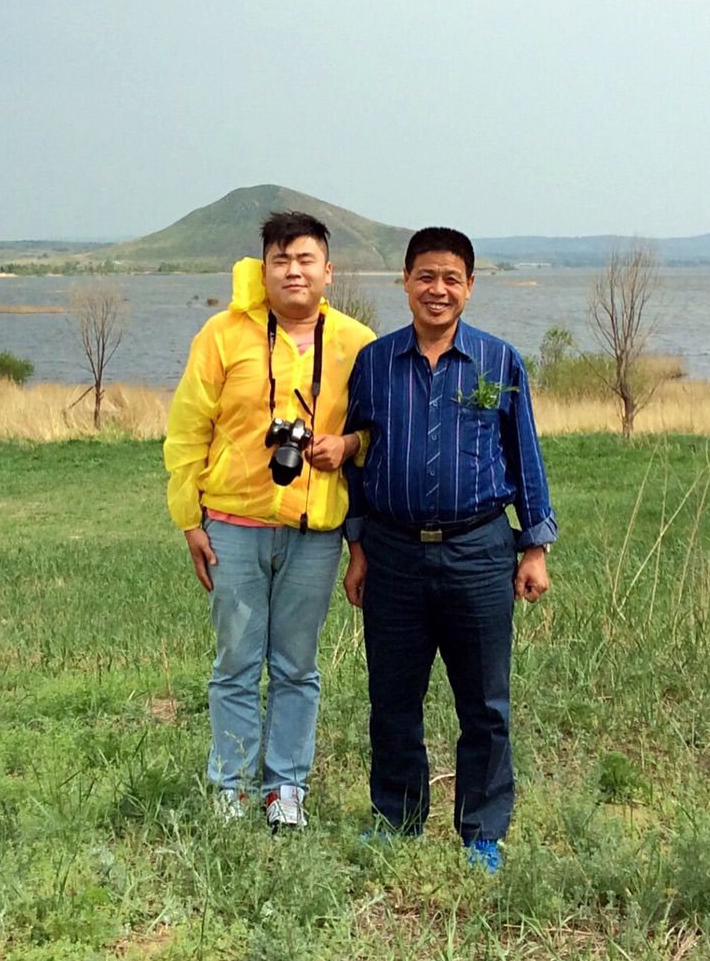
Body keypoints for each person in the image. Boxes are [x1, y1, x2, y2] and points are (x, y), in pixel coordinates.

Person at [342, 226, 556, 873]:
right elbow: (356, 457)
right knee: (393, 696)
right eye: (426, 276)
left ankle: (482, 832)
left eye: (451, 277)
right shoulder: (375, 364)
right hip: (393, 552)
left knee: (484, 701)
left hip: (480, 550)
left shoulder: (498, 362)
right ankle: (397, 816)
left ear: (468, 286)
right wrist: (356, 544)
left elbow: (526, 454)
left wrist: (535, 544)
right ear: (405, 282)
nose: (438, 288)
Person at [163, 212, 377, 829]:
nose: (293, 271)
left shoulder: (355, 342)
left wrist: (348, 445)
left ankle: (285, 788)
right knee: (234, 663)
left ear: (328, 272)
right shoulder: (223, 335)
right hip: (232, 522)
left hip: (315, 531)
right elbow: (187, 431)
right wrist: (189, 518)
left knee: (296, 666)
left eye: (306, 259)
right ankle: (230, 788)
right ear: (264, 269)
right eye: (281, 260)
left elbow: (378, 432)